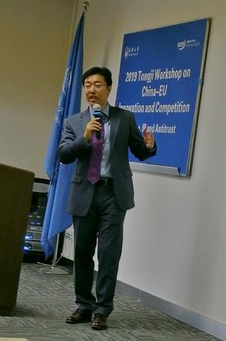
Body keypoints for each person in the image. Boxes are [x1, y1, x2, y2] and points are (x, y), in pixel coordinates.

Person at [58, 66, 156, 330]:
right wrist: (85, 138)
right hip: (84, 193)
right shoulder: (74, 122)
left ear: (109, 88)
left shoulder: (125, 118)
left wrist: (149, 146)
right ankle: (84, 304)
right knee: (82, 252)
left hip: (113, 194)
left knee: (109, 255)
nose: (92, 90)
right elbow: (64, 154)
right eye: (88, 85)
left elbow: (140, 151)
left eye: (97, 84)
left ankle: (102, 310)